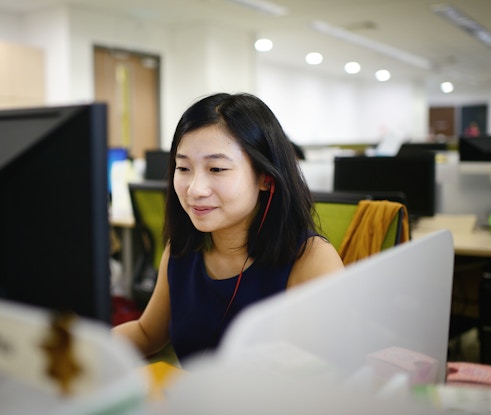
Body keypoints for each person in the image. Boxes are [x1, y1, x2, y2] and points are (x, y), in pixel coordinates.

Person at [112, 92, 344, 365]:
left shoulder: (311, 259)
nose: (195, 189)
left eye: (217, 169)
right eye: (183, 168)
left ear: (266, 178)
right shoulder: (181, 251)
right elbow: (146, 332)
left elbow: (326, 375)